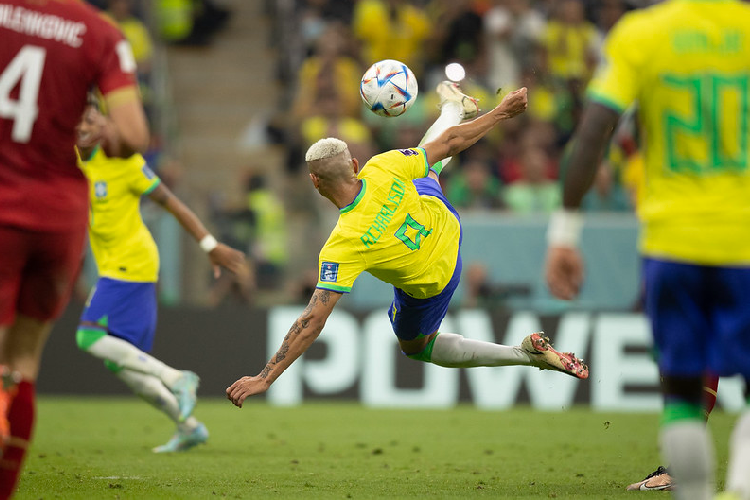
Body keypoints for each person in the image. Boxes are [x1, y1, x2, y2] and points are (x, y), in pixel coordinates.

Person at [227, 81, 589, 410]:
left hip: (435, 278)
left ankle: (523, 354)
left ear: (314, 182)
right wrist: (503, 112)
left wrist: (265, 376)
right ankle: (452, 107)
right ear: (354, 164)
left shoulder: (341, 245)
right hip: (443, 221)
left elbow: (312, 320)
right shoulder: (382, 166)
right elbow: (449, 143)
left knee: (418, 346)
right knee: (427, 164)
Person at [544, 1, 750, 499]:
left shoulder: (642, 34)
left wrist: (565, 232)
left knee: (679, 392)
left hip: (671, 242)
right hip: (743, 240)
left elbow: (594, 130)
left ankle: (689, 487)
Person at [1, 1, 150, 496]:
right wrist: (100, 131)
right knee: (22, 362)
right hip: (57, 216)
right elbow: (132, 135)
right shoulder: (101, 35)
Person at [75, 101, 249, 452]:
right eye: (77, 118)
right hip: (113, 265)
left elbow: (174, 204)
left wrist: (209, 244)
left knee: (87, 337)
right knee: (121, 363)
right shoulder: (74, 162)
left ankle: (177, 378)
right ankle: (189, 426)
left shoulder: (126, 165)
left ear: (105, 123)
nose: (83, 124)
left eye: (91, 117)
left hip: (133, 263)